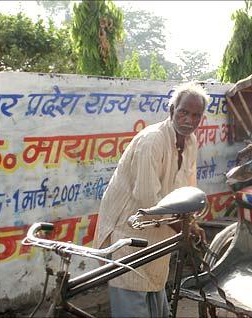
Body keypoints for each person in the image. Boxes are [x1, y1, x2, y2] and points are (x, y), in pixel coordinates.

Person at [93, 82, 210, 318]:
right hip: (128, 232)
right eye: (184, 112)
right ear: (171, 110)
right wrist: (182, 227)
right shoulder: (152, 140)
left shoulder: (190, 142)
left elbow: (187, 190)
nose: (189, 120)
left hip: (158, 236)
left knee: (155, 295)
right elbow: (148, 199)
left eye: (196, 115)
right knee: (132, 296)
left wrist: (192, 225)